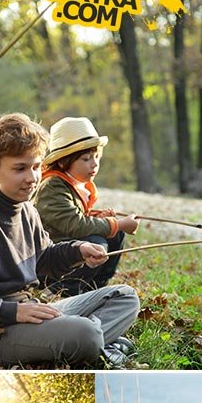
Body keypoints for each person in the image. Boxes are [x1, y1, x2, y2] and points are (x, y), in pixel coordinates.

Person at [0, 113, 140, 369]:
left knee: (125, 297)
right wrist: (13, 312)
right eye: (20, 168)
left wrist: (78, 250)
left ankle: (97, 342)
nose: (32, 178)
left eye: (36, 167)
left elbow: (44, 259)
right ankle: (100, 343)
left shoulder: (27, 210)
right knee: (85, 334)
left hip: (30, 309)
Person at [34, 116, 138, 296]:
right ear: (62, 161)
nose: (94, 163)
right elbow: (76, 225)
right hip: (46, 262)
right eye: (86, 158)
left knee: (114, 235)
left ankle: (92, 288)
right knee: (97, 242)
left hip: (66, 248)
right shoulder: (52, 186)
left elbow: (77, 220)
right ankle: (60, 291)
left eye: (96, 156)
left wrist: (102, 220)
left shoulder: (72, 184)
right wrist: (118, 223)